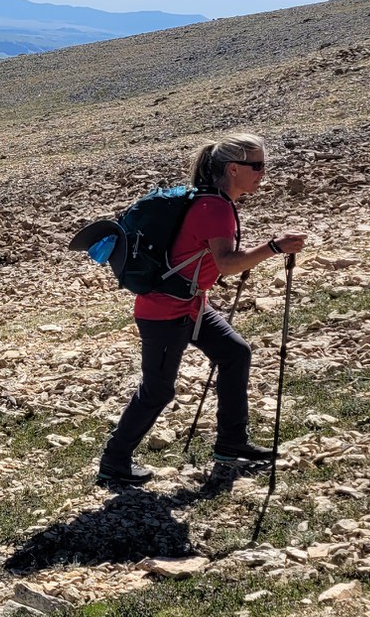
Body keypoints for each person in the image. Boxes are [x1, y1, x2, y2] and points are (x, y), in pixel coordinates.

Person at [95, 132, 307, 489]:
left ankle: (230, 443)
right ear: (233, 168)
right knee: (158, 391)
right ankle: (114, 462)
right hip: (166, 313)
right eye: (257, 166)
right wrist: (273, 247)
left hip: (188, 305)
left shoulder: (213, 201)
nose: (263, 172)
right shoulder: (215, 207)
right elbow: (226, 263)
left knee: (235, 353)